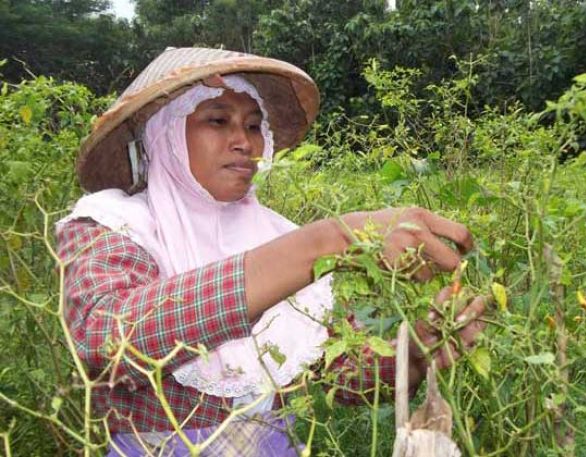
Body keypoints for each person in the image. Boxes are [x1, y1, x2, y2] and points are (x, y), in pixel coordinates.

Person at [56, 47, 486, 456]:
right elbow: (104, 339)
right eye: (218, 121)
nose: (244, 141)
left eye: (252, 125)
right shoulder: (114, 224)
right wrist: (327, 241)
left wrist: (414, 354)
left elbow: (335, 375)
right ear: (165, 134)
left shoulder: (277, 234)